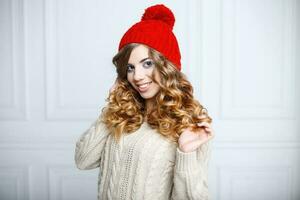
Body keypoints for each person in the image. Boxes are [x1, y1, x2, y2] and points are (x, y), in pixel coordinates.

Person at [75, 4, 214, 200]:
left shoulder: (189, 126)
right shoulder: (121, 114)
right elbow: (82, 160)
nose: (137, 76)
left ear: (167, 67)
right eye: (130, 68)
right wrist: (113, 107)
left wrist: (185, 154)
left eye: (147, 64)